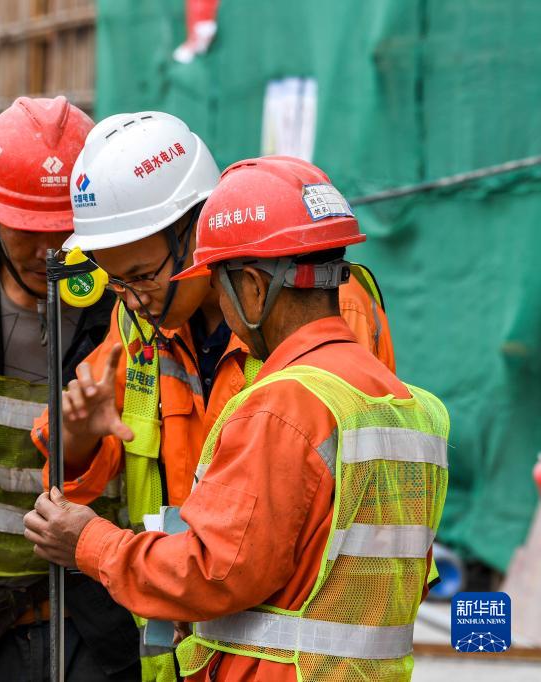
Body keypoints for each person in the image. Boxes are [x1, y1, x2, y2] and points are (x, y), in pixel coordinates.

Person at [25, 156, 448, 682]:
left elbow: (213, 573)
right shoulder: (415, 409)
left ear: (251, 285)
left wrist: (90, 542)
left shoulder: (283, 406)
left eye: (218, 284)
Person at [0, 96, 139, 681]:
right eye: (30, 229)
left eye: (68, 228)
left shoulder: (136, 303)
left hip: (98, 622)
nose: (51, 251)